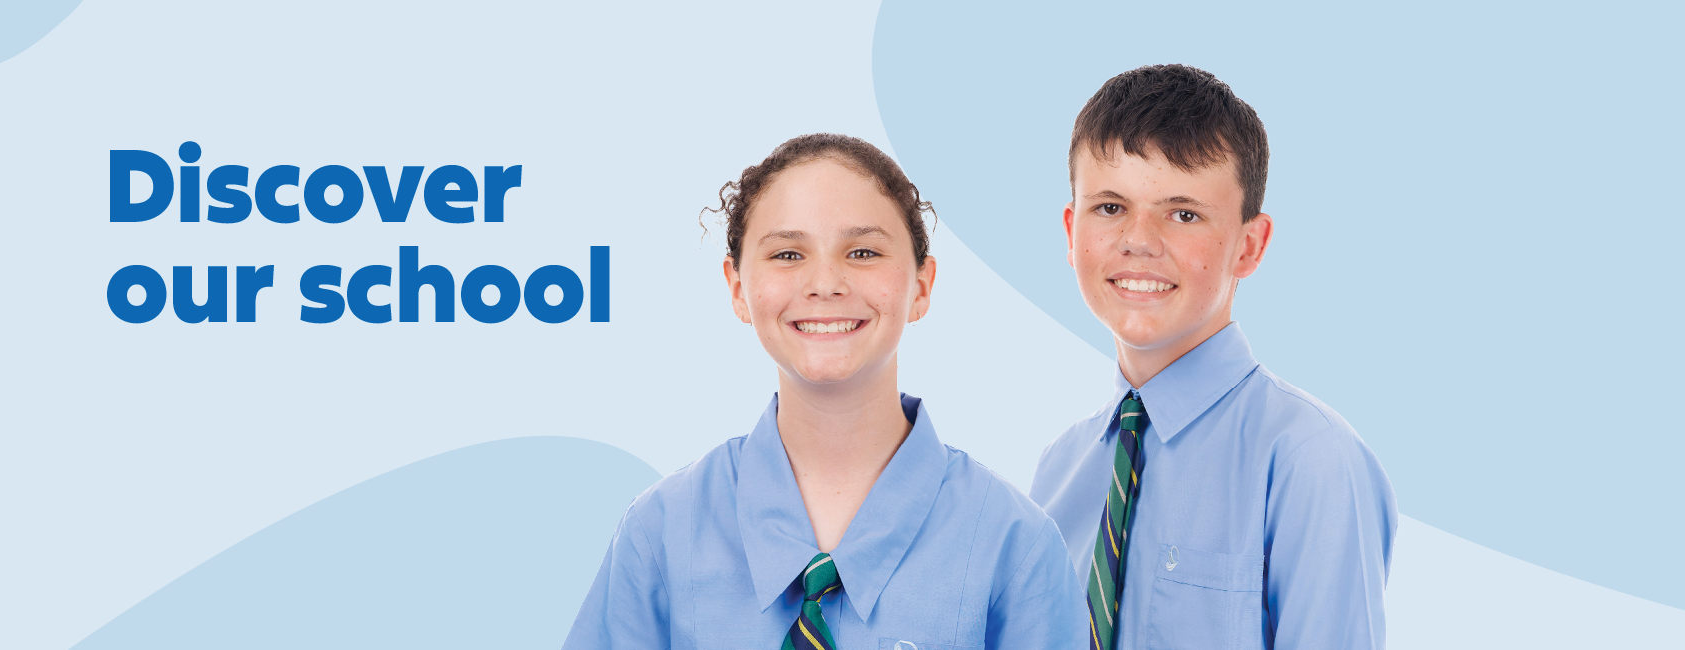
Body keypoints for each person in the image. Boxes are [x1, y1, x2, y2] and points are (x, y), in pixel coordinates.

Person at [564, 134, 1085, 650]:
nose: (825, 282)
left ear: (922, 286)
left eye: (862, 252)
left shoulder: (1016, 548)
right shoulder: (660, 533)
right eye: (788, 254)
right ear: (738, 288)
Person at [1028, 64, 1397, 650]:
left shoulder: (1311, 460)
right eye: (1109, 207)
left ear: (1249, 246)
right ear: (1072, 232)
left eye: (1184, 214)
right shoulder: (1057, 471)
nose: (1139, 240)